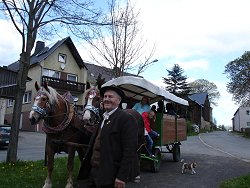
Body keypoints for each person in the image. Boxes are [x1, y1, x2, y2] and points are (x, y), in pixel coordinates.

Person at [78, 85, 138, 188]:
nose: (106, 99)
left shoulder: (126, 119)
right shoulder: (104, 117)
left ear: (119, 101)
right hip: (94, 172)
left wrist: (121, 177)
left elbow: (129, 151)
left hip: (110, 175)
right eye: (105, 97)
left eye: (110, 97)